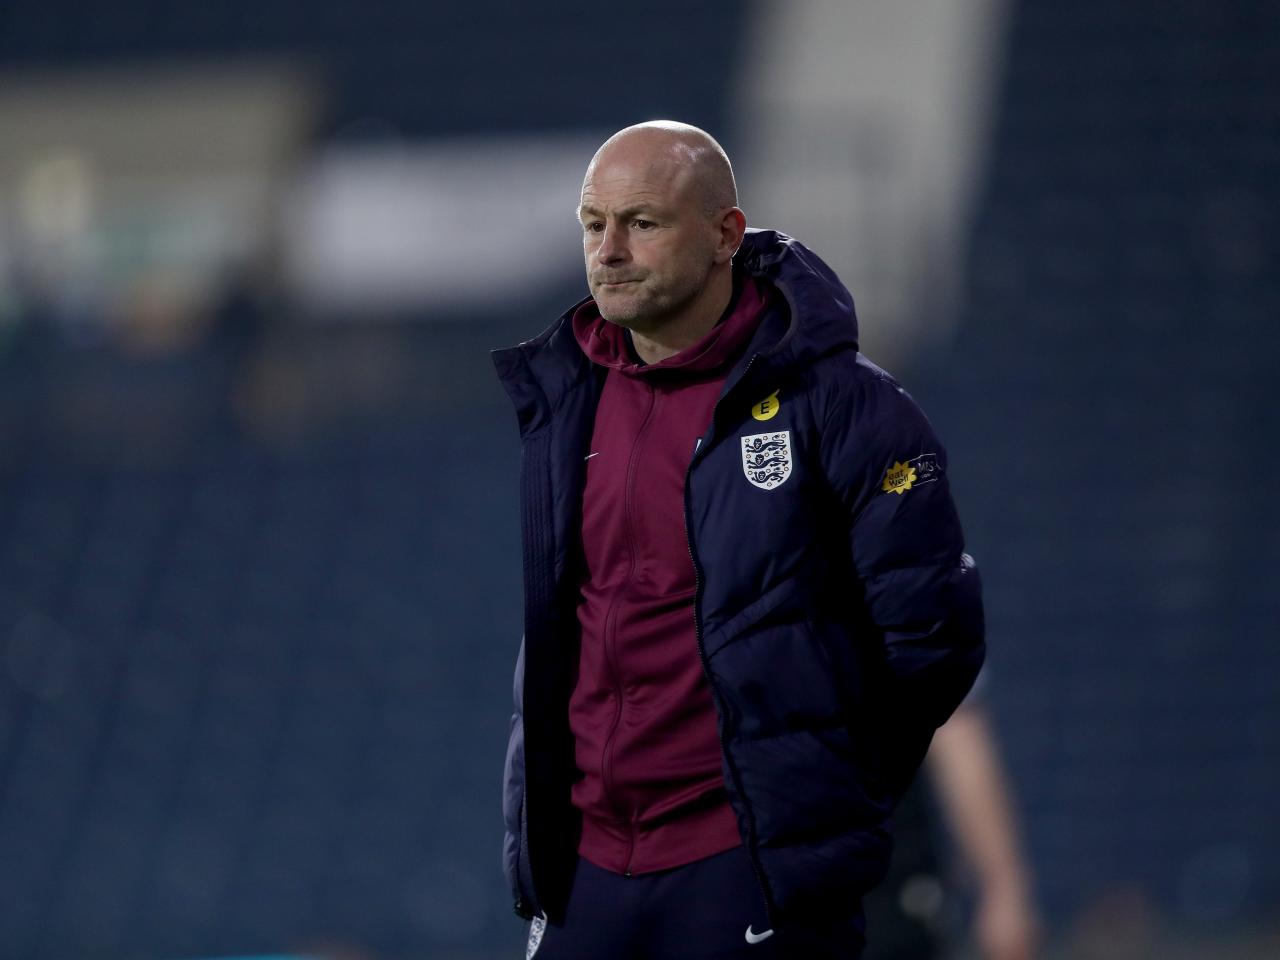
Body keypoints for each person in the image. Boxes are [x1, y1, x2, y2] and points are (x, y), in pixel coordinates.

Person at [492, 121, 985, 960]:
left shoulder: (846, 408)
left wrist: (816, 796)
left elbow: (933, 639)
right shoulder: (567, 398)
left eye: (642, 223)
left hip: (746, 866)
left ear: (726, 234)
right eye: (593, 224)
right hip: (585, 867)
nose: (609, 251)